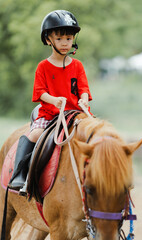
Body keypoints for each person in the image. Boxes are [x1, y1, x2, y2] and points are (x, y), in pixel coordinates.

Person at [8, 10, 92, 192]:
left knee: (98, 135)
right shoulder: (43, 67)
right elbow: (39, 92)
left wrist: (84, 100)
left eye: (69, 39)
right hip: (51, 114)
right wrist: (54, 100)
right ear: (48, 39)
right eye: (60, 38)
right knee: (35, 135)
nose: (65, 43)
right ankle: (20, 175)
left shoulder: (77, 66)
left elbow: (83, 89)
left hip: (76, 114)